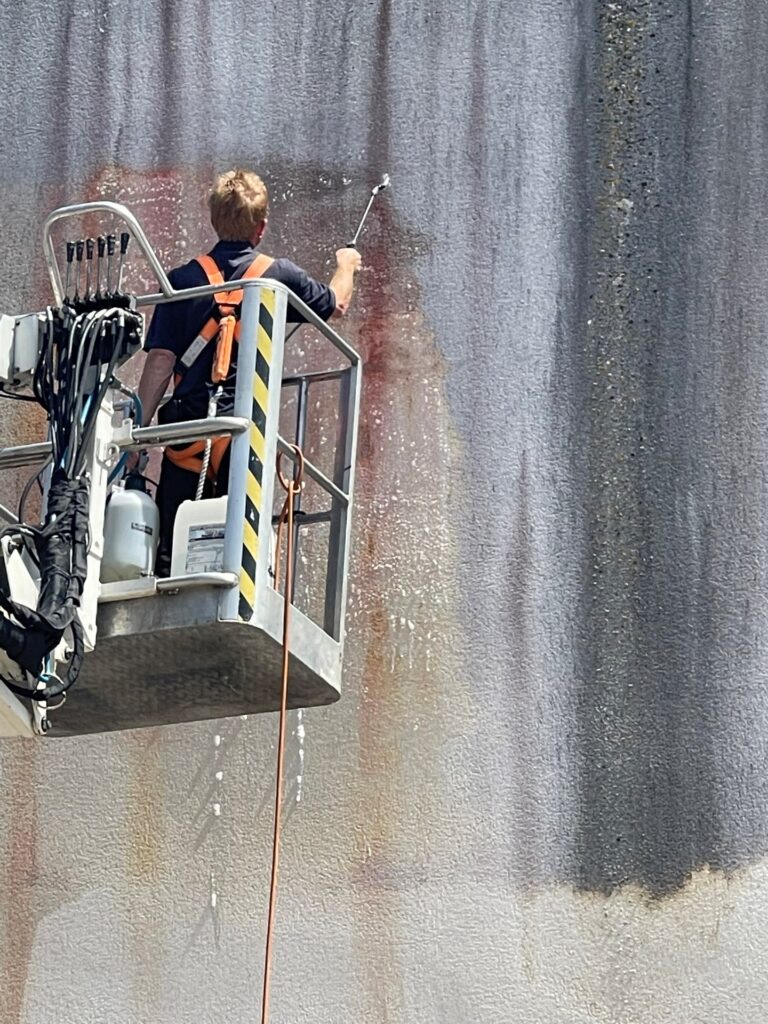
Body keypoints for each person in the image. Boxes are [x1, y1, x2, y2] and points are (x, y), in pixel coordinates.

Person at [132, 168, 362, 576]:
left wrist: (138, 436)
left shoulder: (183, 281)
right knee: (238, 554)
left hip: (186, 432)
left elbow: (160, 363)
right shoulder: (278, 277)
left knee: (171, 552)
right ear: (261, 226)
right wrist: (346, 265)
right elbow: (336, 306)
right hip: (245, 434)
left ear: (214, 220)